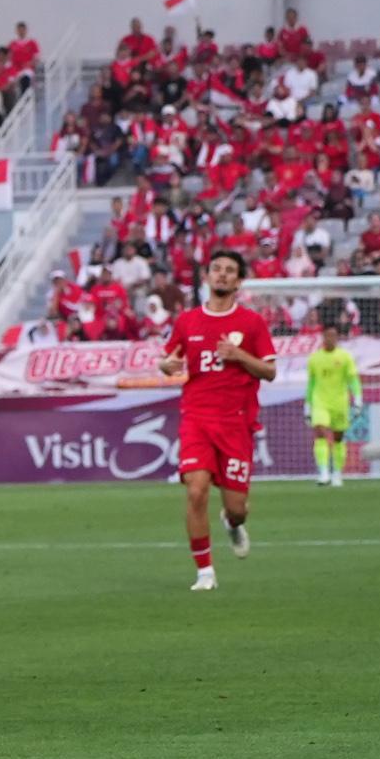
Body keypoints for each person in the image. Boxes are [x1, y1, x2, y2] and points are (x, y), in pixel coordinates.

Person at [158, 249, 277, 591]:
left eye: (230, 271)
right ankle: (205, 572)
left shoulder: (252, 323)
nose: (222, 274)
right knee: (196, 491)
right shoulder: (188, 321)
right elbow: (170, 360)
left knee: (237, 507)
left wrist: (238, 355)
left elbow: (269, 371)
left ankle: (232, 522)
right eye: (217, 269)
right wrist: (165, 366)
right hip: (196, 417)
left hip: (236, 423)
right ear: (208, 276)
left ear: (239, 282)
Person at [305, 318, 361, 488]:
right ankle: (323, 473)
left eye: (334, 335)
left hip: (339, 403)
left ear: (337, 337)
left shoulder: (344, 357)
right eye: (328, 335)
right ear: (323, 337)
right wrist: (307, 406)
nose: (331, 338)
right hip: (320, 402)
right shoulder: (315, 358)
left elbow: (353, 380)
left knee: (338, 439)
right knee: (320, 433)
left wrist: (358, 400)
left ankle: (337, 473)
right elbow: (311, 383)